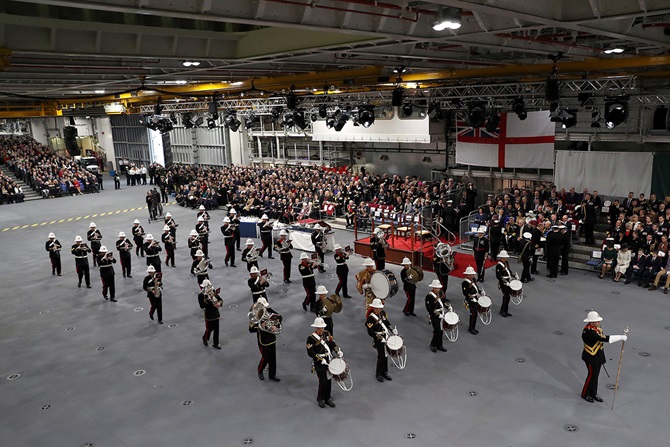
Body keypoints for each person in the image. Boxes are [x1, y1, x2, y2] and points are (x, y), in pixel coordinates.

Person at [580, 310, 627, 403]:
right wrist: (620, 337)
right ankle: (585, 393)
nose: (599, 322)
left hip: (597, 355)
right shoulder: (589, 332)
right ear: (592, 322)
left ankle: (593, 393)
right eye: (597, 321)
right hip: (590, 357)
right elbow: (603, 338)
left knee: (596, 375)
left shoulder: (596, 328)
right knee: (591, 375)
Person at [306, 316, 342, 408]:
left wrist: (337, 350)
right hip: (319, 362)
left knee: (329, 380)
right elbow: (310, 352)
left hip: (329, 360)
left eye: (322, 327)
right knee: (323, 381)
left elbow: (332, 343)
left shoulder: (326, 333)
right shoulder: (311, 339)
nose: (321, 329)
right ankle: (320, 398)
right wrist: (319, 358)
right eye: (319, 328)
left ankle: (327, 398)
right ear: (316, 328)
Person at [249, 297, 281, 381]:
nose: (265, 308)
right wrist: (260, 327)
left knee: (273, 358)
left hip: (271, 337)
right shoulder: (253, 314)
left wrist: (275, 325)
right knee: (266, 357)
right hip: (263, 339)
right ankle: (260, 370)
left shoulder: (269, 310)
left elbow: (279, 317)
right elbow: (251, 329)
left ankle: (272, 375)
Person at [365, 298, 396, 382]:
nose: (380, 309)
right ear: (374, 308)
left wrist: (392, 329)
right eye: (378, 308)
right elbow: (370, 331)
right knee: (381, 356)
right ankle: (378, 373)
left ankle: (385, 372)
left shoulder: (382, 313)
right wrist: (378, 336)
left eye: (380, 308)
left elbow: (386, 322)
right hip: (378, 340)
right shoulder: (371, 318)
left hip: (385, 337)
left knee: (385, 355)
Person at [425, 279, 448, 353]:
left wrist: (448, 306)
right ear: (433, 288)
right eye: (437, 288)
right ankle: (433, 345)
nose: (439, 289)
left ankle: (439, 345)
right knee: (437, 331)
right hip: (434, 316)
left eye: (439, 288)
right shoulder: (429, 296)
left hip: (442, 314)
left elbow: (443, 302)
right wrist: (438, 314)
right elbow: (429, 308)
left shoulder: (441, 293)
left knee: (441, 331)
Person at [202, 280, 222, 349]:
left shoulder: (214, 293)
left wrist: (219, 303)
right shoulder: (201, 295)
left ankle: (216, 343)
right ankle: (205, 338)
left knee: (216, 329)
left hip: (216, 314)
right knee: (209, 329)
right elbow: (202, 305)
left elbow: (220, 299)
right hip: (209, 314)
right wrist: (206, 299)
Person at [495, 250, 515, 317]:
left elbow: (508, 270)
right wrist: (504, 281)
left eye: (506, 258)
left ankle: (505, 310)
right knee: (507, 297)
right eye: (504, 258)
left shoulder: (506, 263)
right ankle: (502, 311)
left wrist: (513, 275)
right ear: (501, 258)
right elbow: (498, 276)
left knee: (506, 297)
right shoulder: (499, 266)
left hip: (508, 281)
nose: (505, 259)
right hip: (503, 283)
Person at [462, 266, 480, 335]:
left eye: (472, 274)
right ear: (467, 275)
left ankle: (473, 327)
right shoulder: (465, 283)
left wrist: (480, 291)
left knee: (475, 314)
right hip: (470, 300)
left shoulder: (474, 280)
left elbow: (476, 288)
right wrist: (471, 297)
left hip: (476, 298)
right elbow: (465, 293)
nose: (471, 276)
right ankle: (471, 328)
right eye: (470, 275)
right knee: (473, 313)